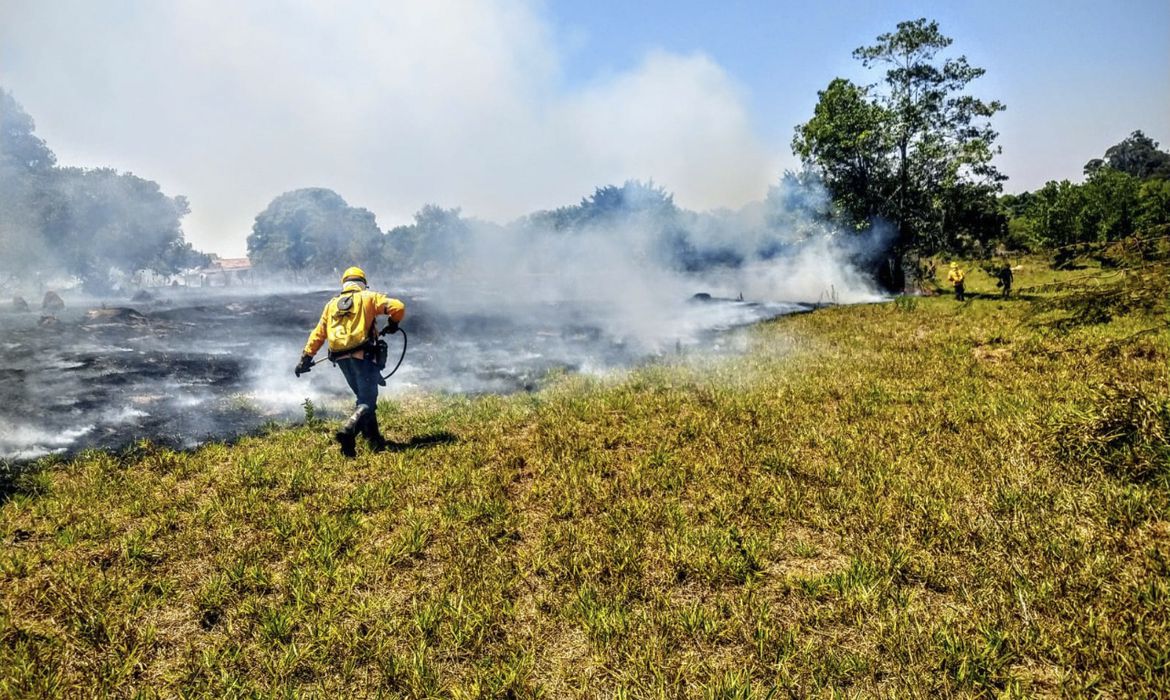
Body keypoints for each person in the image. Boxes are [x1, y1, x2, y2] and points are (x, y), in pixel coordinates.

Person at [296, 266, 406, 457]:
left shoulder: (331, 305)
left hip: (341, 359)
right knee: (367, 400)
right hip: (363, 356)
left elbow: (319, 334)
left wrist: (306, 358)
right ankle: (348, 430)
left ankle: (373, 440)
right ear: (363, 283)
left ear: (344, 285)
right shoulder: (368, 297)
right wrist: (393, 324)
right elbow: (398, 307)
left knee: (363, 397)